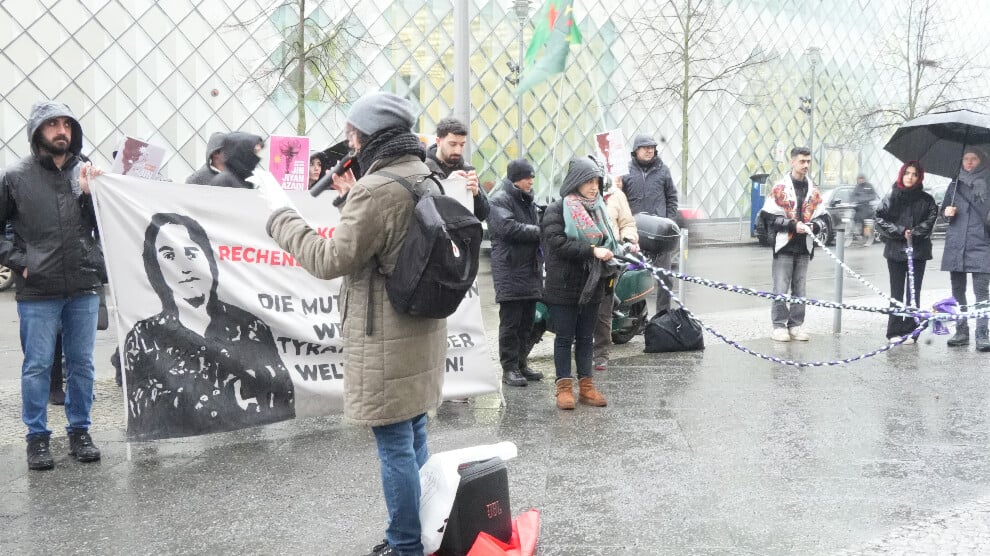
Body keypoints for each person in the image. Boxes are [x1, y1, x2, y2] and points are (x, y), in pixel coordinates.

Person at [262, 92, 445, 556]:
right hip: (421, 329)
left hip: (384, 335)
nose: (347, 142)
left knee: (394, 445)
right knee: (414, 434)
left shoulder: (374, 188)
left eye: (350, 134)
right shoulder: (424, 175)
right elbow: (391, 241)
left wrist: (281, 216)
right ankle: (424, 531)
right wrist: (351, 203)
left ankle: (405, 545)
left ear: (367, 136)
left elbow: (329, 259)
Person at [123, 213, 295, 440]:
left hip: (248, 454)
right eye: (168, 256)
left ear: (208, 258)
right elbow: (141, 423)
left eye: (191, 252)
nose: (183, 266)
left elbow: (281, 398)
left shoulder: (249, 327)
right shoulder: (143, 338)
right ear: (156, 268)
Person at [0, 100, 105, 470]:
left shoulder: (87, 173)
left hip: (82, 285)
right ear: (37, 132)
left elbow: (100, 228)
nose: (62, 130)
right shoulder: (15, 177)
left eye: (67, 124)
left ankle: (80, 432)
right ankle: (37, 439)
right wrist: (22, 265)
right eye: (52, 125)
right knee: (37, 366)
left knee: (82, 365)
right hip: (38, 291)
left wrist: (89, 195)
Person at [541, 157, 616, 410]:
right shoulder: (557, 208)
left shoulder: (599, 208)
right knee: (564, 337)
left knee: (586, 337)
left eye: (596, 181)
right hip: (563, 285)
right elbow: (557, 243)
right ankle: (563, 388)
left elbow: (608, 239)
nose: (594, 187)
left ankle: (586, 386)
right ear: (576, 183)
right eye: (588, 181)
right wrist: (592, 250)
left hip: (593, 283)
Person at [488, 158, 544, 387]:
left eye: (531, 177)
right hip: (510, 270)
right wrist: (539, 231)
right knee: (511, 323)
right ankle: (509, 368)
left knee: (526, 322)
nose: (531, 181)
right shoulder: (500, 200)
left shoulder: (527, 201)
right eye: (527, 177)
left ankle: (521, 363)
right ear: (516, 179)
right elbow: (508, 228)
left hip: (529, 269)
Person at [759, 147, 825, 342]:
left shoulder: (813, 189)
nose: (805, 165)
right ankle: (778, 326)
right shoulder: (779, 188)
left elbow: (823, 217)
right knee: (780, 286)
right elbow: (769, 218)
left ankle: (796, 324)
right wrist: (792, 225)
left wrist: (814, 225)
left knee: (800, 288)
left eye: (808, 162)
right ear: (792, 162)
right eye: (802, 161)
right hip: (784, 246)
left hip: (805, 246)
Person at [874, 161, 937, 342]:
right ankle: (893, 330)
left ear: (919, 177)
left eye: (914, 174)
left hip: (917, 252)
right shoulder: (891, 196)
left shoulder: (927, 200)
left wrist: (914, 233)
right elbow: (879, 219)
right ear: (901, 175)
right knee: (896, 292)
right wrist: (900, 231)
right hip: (895, 251)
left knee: (913, 292)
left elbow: (930, 220)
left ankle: (910, 329)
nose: (910, 177)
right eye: (907, 173)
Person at [620, 134, 678, 314]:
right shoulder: (625, 172)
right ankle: (637, 318)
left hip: (659, 236)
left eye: (652, 147)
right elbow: (618, 201)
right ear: (636, 150)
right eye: (645, 147)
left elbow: (672, 198)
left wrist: (667, 222)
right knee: (634, 278)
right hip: (635, 235)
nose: (649, 150)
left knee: (664, 278)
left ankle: (662, 315)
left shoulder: (663, 170)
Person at [939, 147, 990, 351]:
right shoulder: (955, 183)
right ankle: (961, 331)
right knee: (957, 291)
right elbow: (943, 213)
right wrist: (946, 212)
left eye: (973, 159)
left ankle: (982, 333)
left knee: (981, 293)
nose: (969, 162)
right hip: (956, 243)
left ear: (981, 160)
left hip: (982, 243)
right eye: (966, 158)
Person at [593, 158, 640, 372]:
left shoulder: (617, 196)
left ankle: (601, 353)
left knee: (604, 306)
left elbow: (627, 223)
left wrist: (628, 241)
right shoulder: (574, 199)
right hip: (585, 257)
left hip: (612, 257)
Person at [425, 116, 490, 221]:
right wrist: (448, 186)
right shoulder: (424, 169)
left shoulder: (467, 169)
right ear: (438, 141)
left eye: (462, 145)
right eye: (453, 144)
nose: (458, 150)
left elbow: (482, 215)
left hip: (464, 236)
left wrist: (476, 195)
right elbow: (422, 212)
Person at [851, 174, 877, 241]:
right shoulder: (857, 187)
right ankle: (859, 235)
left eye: (862, 178)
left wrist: (865, 199)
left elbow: (873, 195)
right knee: (858, 222)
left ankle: (867, 237)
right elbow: (853, 196)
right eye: (859, 179)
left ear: (864, 179)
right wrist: (857, 200)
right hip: (859, 208)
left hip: (868, 208)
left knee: (867, 224)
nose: (861, 180)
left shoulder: (869, 186)